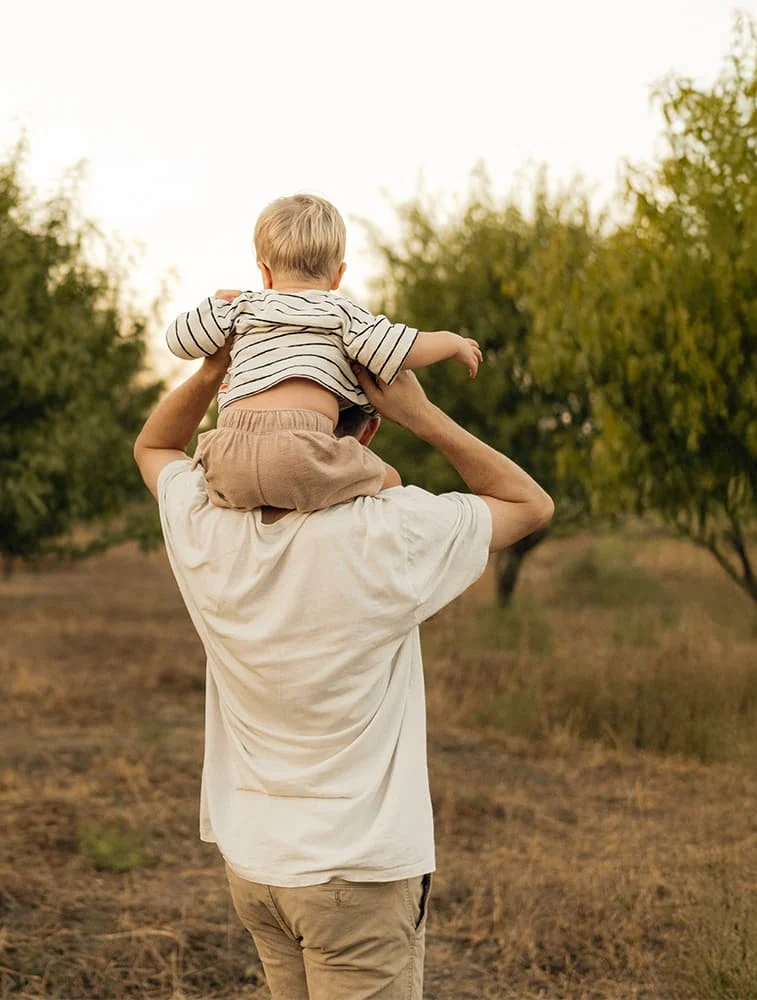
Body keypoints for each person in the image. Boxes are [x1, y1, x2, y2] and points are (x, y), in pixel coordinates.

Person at [132, 345, 553, 1000]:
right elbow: (529, 505)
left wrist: (213, 370)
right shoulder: (389, 533)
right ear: (368, 429)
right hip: (354, 876)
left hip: (257, 867)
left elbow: (154, 448)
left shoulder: (205, 525)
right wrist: (426, 416)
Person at [165, 193, 481, 513]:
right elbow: (398, 347)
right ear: (338, 276)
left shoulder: (243, 307)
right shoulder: (340, 312)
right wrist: (451, 342)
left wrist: (214, 306)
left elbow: (179, 342)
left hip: (227, 453)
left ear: (265, 272)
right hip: (303, 453)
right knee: (390, 479)